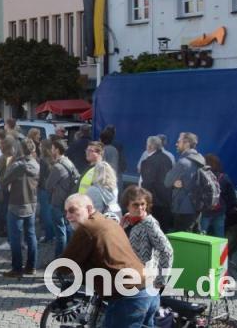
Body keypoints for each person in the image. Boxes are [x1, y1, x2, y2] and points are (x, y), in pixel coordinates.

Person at [60, 194, 159, 327]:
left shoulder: (87, 228)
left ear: (89, 209)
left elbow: (66, 264)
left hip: (128, 295)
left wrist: (58, 274)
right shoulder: (107, 221)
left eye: (72, 210)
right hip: (148, 288)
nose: (68, 216)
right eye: (65, 211)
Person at [120, 186, 173, 288]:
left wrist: (160, 280)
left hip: (143, 281)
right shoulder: (125, 220)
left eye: (143, 204)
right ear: (127, 205)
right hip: (125, 277)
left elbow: (166, 250)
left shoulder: (149, 223)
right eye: (135, 205)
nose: (140, 208)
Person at [1, 139, 39, 278]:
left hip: (16, 203)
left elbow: (4, 181)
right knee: (31, 235)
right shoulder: (35, 164)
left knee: (15, 238)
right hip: (32, 202)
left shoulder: (17, 165)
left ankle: (17, 268)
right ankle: (31, 266)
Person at [164, 132, 207, 232]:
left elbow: (166, 182)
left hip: (182, 208)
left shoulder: (183, 162)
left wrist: (174, 182)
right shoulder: (201, 160)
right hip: (196, 207)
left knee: (181, 242)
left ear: (187, 143)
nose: (176, 144)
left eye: (179, 141)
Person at [44, 139, 78, 257]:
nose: (51, 150)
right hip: (67, 201)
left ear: (57, 150)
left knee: (60, 233)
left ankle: (59, 259)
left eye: (53, 148)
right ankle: (69, 256)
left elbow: (48, 186)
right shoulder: (69, 162)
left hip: (58, 202)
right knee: (67, 230)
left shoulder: (58, 167)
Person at [138, 136, 174, 231]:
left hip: (154, 202)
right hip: (166, 201)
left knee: (151, 230)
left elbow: (147, 184)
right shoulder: (168, 159)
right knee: (163, 231)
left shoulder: (147, 162)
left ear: (150, 146)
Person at [201, 154, 237, 238]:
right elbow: (231, 195)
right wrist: (233, 206)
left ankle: (201, 250)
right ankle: (220, 251)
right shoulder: (224, 177)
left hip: (205, 211)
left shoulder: (202, 176)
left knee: (201, 235)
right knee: (220, 235)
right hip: (220, 210)